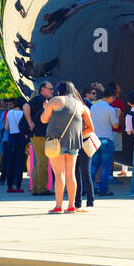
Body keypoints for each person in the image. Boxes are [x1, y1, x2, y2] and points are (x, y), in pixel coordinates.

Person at [42, 81, 89, 213]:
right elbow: (89, 126)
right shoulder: (80, 105)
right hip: (74, 143)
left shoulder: (55, 100)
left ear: (59, 91)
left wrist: (46, 107)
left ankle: (58, 206)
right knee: (71, 174)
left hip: (57, 142)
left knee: (59, 174)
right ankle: (71, 205)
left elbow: (44, 119)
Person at [88, 83, 118, 196]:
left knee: (94, 165)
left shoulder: (93, 107)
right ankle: (103, 189)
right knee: (106, 165)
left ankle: (88, 188)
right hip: (106, 140)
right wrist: (118, 115)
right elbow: (115, 125)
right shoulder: (110, 109)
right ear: (111, 97)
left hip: (94, 139)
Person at [2, 96, 27, 192]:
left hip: (11, 137)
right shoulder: (23, 113)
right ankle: (18, 185)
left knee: (11, 162)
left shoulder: (9, 113)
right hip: (20, 137)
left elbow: (6, 127)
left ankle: (9, 185)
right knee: (19, 162)